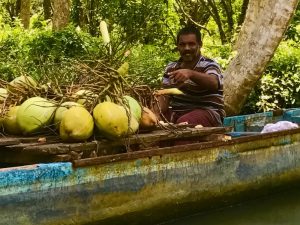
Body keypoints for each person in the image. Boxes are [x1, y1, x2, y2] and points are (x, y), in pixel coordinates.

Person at [155, 25, 225, 127]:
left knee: (185, 123)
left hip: (207, 113)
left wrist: (190, 73)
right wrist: (155, 113)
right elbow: (165, 95)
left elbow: (213, 83)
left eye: (191, 44)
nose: (187, 48)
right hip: (177, 114)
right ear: (177, 46)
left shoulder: (210, 65)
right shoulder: (171, 68)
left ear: (199, 45)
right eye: (182, 45)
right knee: (148, 119)